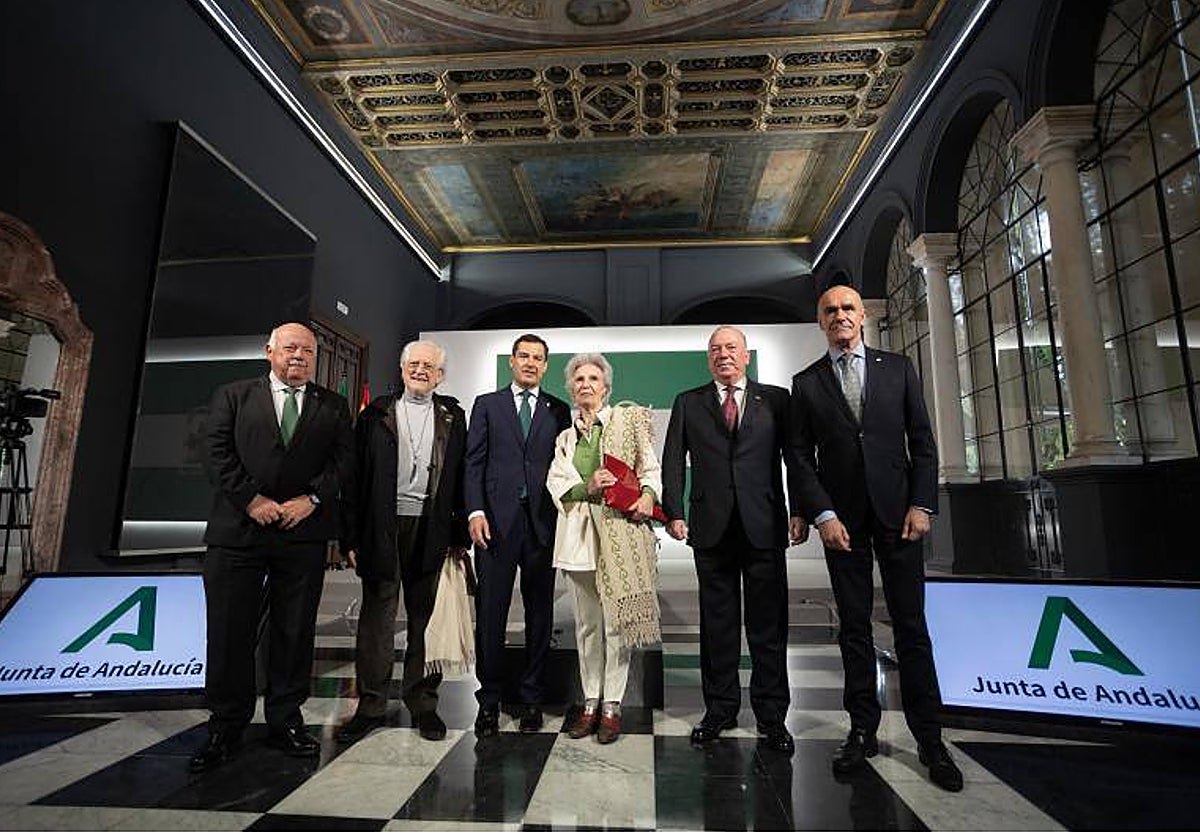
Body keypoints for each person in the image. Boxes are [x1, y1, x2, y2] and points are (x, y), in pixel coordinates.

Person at [789, 284, 963, 792]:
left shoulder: (900, 368)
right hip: (841, 525)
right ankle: (862, 729)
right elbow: (799, 457)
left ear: (862, 316)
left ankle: (930, 739)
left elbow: (923, 442)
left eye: (847, 308)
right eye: (829, 310)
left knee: (911, 628)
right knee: (854, 629)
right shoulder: (806, 383)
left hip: (900, 518)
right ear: (820, 321)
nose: (839, 315)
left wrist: (921, 503)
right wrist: (820, 513)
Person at [191, 322, 353, 772]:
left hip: (301, 533)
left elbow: (344, 461)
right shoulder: (233, 395)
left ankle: (286, 720)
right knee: (228, 631)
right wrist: (251, 500)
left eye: (307, 350)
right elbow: (216, 453)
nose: (298, 355)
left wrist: (313, 500)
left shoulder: (333, 405)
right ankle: (226, 724)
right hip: (238, 532)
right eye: (290, 348)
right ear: (269, 351)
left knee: (294, 630)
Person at [661, 326, 803, 755]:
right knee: (717, 626)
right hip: (711, 526)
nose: (723, 355)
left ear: (746, 356)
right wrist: (675, 512)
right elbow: (673, 461)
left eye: (731, 348)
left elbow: (795, 457)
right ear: (709, 359)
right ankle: (719, 710)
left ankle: (772, 716)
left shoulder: (777, 399)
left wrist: (799, 510)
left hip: (764, 525)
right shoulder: (688, 402)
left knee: (768, 626)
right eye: (715, 349)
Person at [337, 340, 468, 744]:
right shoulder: (376, 413)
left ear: (441, 375)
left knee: (427, 619)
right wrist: (350, 536)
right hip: (382, 525)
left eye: (429, 365)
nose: (420, 370)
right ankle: (371, 703)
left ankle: (424, 703)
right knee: (377, 617)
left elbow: (461, 477)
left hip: (433, 529)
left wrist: (459, 534)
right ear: (401, 368)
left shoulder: (453, 416)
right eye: (413, 364)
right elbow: (353, 479)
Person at [545, 353, 662, 744]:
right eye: (578, 379)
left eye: (593, 378)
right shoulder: (565, 437)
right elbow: (556, 483)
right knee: (588, 626)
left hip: (620, 534)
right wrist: (588, 486)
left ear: (606, 388)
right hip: (580, 537)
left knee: (617, 624)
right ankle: (590, 702)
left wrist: (647, 495)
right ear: (570, 388)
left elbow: (650, 469)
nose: (585, 384)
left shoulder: (627, 424)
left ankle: (613, 705)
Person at [465, 333, 572, 736]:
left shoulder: (558, 409)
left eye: (538, 358)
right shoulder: (487, 405)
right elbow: (473, 463)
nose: (530, 363)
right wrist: (475, 510)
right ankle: (489, 701)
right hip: (493, 523)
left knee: (540, 615)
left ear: (545, 366)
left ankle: (531, 699)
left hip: (543, 525)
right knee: (490, 614)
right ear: (512, 361)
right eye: (523, 356)